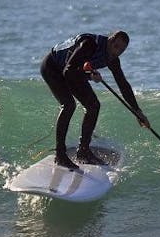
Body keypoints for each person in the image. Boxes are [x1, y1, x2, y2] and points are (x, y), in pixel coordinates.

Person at [40, 30, 150, 170]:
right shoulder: (89, 44)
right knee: (68, 105)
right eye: (116, 46)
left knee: (93, 106)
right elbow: (69, 69)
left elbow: (123, 84)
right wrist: (90, 74)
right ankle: (60, 155)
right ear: (110, 40)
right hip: (52, 67)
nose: (117, 52)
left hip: (70, 71)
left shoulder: (113, 59)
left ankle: (83, 151)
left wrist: (137, 111)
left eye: (122, 50)